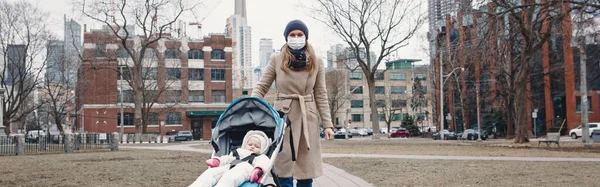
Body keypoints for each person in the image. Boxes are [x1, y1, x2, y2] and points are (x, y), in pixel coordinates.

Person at [251, 19, 335, 187]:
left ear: (306, 37)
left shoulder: (316, 61)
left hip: (307, 118)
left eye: (299, 34)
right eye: (292, 35)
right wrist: (251, 109)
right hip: (283, 118)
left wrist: (327, 124)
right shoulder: (276, 59)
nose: (296, 37)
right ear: (286, 37)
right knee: (284, 167)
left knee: (305, 170)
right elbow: (261, 87)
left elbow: (320, 94)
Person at [189, 131, 272, 187]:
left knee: (230, 178)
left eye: (257, 146)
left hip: (246, 168)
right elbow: (228, 158)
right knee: (211, 173)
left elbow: (264, 163)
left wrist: (258, 170)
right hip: (229, 166)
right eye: (250, 144)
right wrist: (219, 161)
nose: (252, 147)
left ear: (263, 149)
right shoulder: (238, 151)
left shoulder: (260, 156)